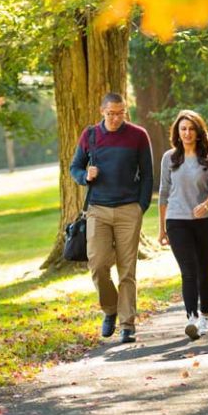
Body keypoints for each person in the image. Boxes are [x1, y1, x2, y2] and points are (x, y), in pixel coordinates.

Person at [70, 92, 154, 343]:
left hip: (129, 210)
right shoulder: (90, 135)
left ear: (125, 111)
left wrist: (140, 207)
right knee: (97, 266)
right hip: (98, 209)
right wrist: (85, 176)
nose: (116, 118)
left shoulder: (138, 135)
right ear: (102, 112)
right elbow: (75, 167)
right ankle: (110, 310)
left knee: (127, 270)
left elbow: (147, 174)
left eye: (120, 113)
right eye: (111, 114)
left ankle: (127, 325)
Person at [158, 110, 208, 341]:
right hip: (176, 221)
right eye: (183, 129)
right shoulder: (169, 158)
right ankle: (191, 318)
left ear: (198, 132)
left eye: (191, 129)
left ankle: (204, 317)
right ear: (177, 132)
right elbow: (163, 193)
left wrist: (206, 204)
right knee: (188, 270)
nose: (187, 133)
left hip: (205, 222)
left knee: (204, 270)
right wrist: (162, 228)